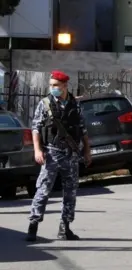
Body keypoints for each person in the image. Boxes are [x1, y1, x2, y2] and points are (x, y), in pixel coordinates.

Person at [26, 70, 92, 242]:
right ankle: (33, 224)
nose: (52, 88)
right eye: (51, 85)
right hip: (52, 152)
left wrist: (87, 150)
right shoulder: (45, 104)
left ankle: (65, 227)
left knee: (70, 192)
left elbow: (83, 130)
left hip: (71, 154)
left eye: (56, 85)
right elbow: (36, 128)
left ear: (64, 86)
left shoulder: (75, 105)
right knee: (43, 189)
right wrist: (37, 150)